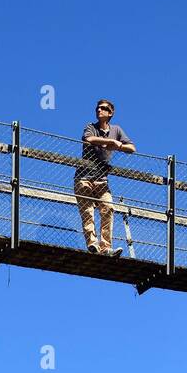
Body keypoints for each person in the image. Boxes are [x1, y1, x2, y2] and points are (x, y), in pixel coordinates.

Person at [75, 99, 136, 256]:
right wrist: (110, 142)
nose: (99, 110)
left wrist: (119, 145)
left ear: (110, 113)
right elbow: (88, 139)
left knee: (108, 207)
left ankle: (106, 247)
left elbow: (132, 148)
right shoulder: (91, 127)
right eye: (98, 108)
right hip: (84, 177)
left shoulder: (116, 129)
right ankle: (92, 244)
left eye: (103, 108)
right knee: (87, 211)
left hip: (102, 179)